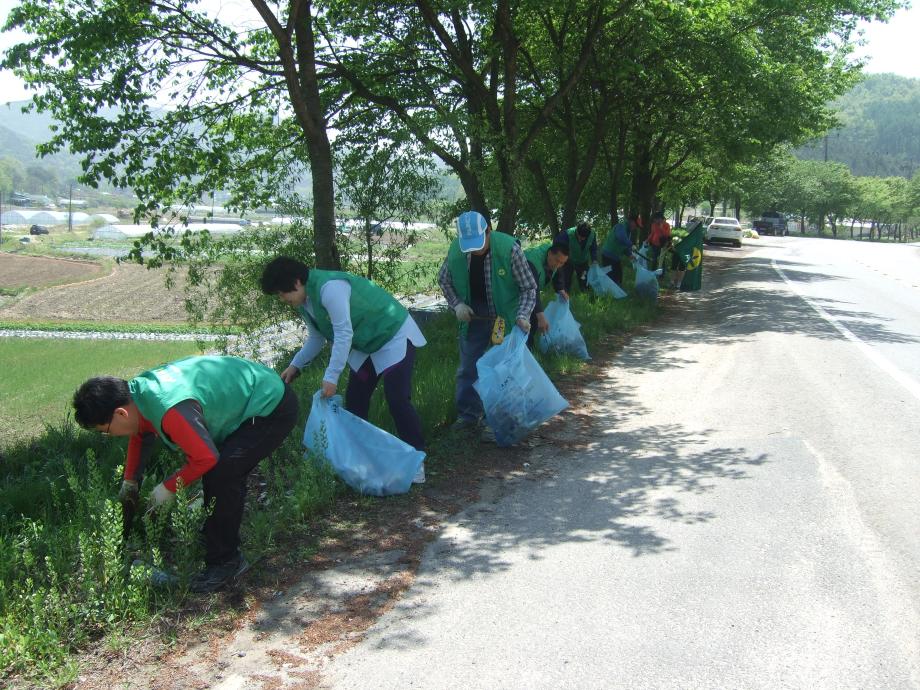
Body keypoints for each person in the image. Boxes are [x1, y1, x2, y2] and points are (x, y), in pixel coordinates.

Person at [72, 355, 299, 593]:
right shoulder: (138, 395)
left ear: (120, 414)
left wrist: (168, 488)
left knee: (223, 472)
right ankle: (216, 536)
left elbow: (205, 458)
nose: (110, 436)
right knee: (220, 471)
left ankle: (226, 562)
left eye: (105, 431)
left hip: (270, 406)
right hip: (248, 397)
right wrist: (130, 481)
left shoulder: (169, 406)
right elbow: (142, 433)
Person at [260, 257, 427, 479]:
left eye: (282, 293)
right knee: (356, 399)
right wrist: (295, 365)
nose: (282, 299)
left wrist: (332, 377)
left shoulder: (330, 288)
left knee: (397, 398)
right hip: (367, 344)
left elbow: (343, 333)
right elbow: (317, 337)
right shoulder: (304, 302)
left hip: (392, 334)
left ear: (297, 282)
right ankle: (359, 461)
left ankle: (416, 462)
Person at [438, 210, 538, 435]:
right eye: (469, 245)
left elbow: (529, 288)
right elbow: (444, 280)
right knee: (468, 367)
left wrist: (522, 315)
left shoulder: (509, 249)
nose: (474, 249)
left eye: (479, 242)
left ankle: (506, 419)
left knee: (506, 368)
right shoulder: (457, 251)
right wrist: (457, 305)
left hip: (506, 314)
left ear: (489, 232)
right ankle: (468, 416)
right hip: (474, 314)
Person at [523, 241, 569, 348]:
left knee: (534, 319)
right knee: (527, 319)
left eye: (562, 263)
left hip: (530, 291)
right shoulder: (532, 262)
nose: (558, 265)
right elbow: (532, 292)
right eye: (557, 261)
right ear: (549, 253)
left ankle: (529, 348)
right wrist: (541, 317)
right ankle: (523, 350)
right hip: (514, 291)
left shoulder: (555, 255)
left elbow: (558, 272)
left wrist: (560, 289)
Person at [553, 221, 597, 293]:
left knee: (584, 279)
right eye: (579, 237)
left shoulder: (592, 234)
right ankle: (565, 299)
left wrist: (594, 259)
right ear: (577, 230)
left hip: (583, 262)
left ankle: (585, 295)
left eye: (584, 238)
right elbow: (556, 244)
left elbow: (593, 248)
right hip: (569, 262)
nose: (581, 240)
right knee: (566, 280)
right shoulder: (567, 234)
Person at [600, 214, 637, 287]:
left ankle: (617, 294)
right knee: (609, 277)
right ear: (631, 221)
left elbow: (623, 246)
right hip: (608, 256)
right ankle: (608, 294)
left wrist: (630, 255)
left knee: (619, 278)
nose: (635, 227)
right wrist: (631, 244)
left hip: (616, 257)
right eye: (636, 224)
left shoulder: (628, 231)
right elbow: (621, 238)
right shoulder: (620, 226)